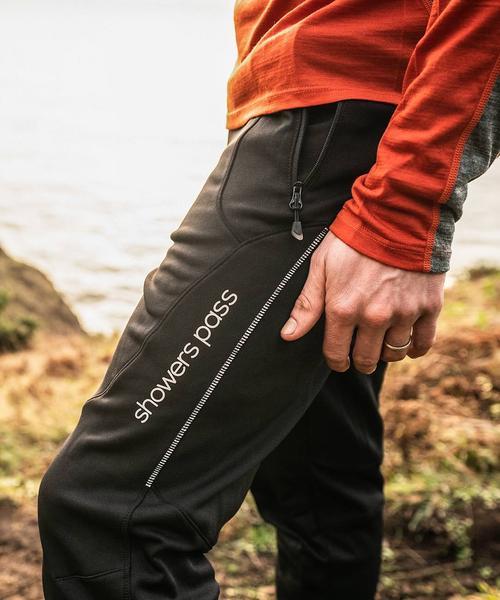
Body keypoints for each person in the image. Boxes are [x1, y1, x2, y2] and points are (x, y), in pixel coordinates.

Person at [38, 1, 499, 598]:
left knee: (110, 513)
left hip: (338, 129)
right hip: (321, 115)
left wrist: (404, 208)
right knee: (316, 487)